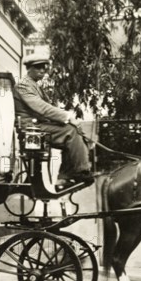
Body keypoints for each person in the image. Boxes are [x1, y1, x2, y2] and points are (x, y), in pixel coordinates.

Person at [14, 53, 93, 187]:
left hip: (38, 127)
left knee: (73, 132)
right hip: (31, 129)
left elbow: (47, 108)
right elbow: (42, 108)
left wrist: (66, 120)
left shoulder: (35, 85)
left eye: (44, 67)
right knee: (71, 132)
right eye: (38, 67)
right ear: (28, 68)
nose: (42, 70)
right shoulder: (23, 85)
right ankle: (79, 172)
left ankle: (65, 177)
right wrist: (68, 118)